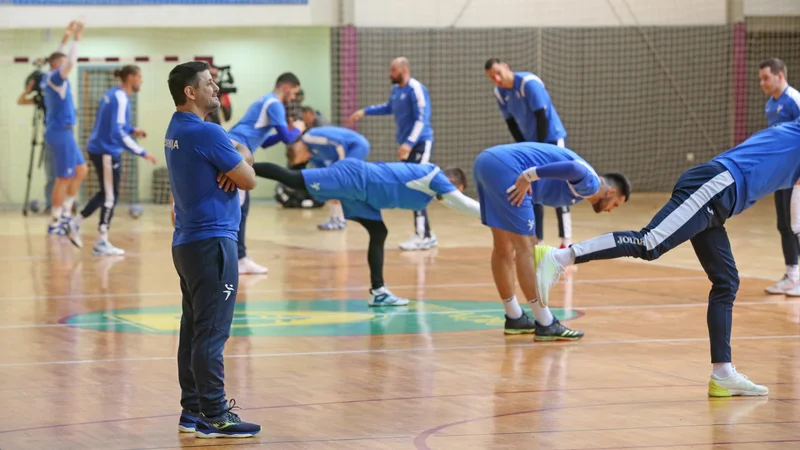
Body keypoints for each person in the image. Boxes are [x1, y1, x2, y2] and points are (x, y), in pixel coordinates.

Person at [535, 122, 800, 397]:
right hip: (717, 184)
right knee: (649, 243)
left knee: (727, 282)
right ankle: (560, 256)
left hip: (722, 201)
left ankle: (723, 374)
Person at [165, 60, 261, 438]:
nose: (216, 89)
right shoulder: (207, 134)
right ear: (191, 92)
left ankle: (192, 411)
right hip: (213, 246)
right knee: (212, 334)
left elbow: (239, 157)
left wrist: (235, 156)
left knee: (193, 331)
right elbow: (249, 177)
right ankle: (215, 415)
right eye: (208, 83)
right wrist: (237, 159)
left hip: (188, 244)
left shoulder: (178, 129)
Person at [252, 158, 478, 306]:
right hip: (355, 177)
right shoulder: (434, 176)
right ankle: (238, 165)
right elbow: (464, 204)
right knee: (294, 179)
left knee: (378, 232)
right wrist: (496, 215)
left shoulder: (429, 190)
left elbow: (457, 205)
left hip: (363, 197)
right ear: (451, 181)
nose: (450, 195)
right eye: (454, 189)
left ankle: (378, 292)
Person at [473, 142, 629, 338]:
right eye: (614, 205)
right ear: (611, 193)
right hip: (509, 168)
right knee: (527, 249)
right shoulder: (591, 184)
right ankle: (545, 322)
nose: (610, 210)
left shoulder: (581, 191)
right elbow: (573, 169)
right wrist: (527, 176)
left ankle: (515, 317)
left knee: (503, 246)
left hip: (486, 162)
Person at [348, 57, 436, 251]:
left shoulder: (416, 89)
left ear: (403, 70)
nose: (390, 74)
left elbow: (422, 120)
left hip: (420, 144)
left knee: (418, 187)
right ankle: (425, 233)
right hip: (408, 144)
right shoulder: (397, 90)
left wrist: (409, 144)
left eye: (393, 70)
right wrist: (365, 112)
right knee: (412, 186)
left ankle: (424, 235)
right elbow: (389, 107)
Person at [485, 58, 572, 249]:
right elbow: (511, 124)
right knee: (532, 189)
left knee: (559, 186)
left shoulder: (528, 83)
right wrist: (524, 148)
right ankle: (537, 240)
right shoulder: (500, 93)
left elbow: (542, 116)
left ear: (507, 67)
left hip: (550, 139)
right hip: (531, 143)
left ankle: (566, 240)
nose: (497, 79)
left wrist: (539, 148)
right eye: (492, 77)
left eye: (499, 73)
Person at [73, 65, 157, 255]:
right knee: (110, 196)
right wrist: (142, 152)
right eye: (139, 76)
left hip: (100, 149)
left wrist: (132, 130)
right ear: (130, 77)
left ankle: (75, 223)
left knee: (105, 193)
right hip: (106, 151)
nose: (141, 81)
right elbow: (116, 131)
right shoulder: (120, 98)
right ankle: (101, 241)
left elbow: (115, 125)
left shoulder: (111, 94)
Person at [226, 72, 304, 275]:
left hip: (234, 149)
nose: (293, 98)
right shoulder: (274, 104)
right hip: (237, 153)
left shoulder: (264, 101)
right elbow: (288, 139)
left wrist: (285, 132)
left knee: (239, 207)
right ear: (286, 87)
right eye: (294, 93)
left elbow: (266, 141)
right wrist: (298, 129)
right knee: (239, 209)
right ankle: (238, 259)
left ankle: (236, 256)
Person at [758, 58, 800, 296]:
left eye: (766, 78)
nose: (762, 83)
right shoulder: (770, 105)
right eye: (760, 79)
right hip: (782, 176)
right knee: (784, 224)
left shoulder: (794, 100)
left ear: (780, 76)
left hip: (797, 176)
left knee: (797, 226)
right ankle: (791, 276)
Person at [43, 20, 87, 247]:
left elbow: (58, 56)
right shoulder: (55, 79)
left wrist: (65, 36)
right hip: (60, 132)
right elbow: (68, 61)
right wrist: (77, 38)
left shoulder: (47, 76)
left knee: (81, 170)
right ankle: (55, 221)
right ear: (55, 66)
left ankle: (66, 213)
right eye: (59, 64)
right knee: (63, 177)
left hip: (64, 131)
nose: (64, 66)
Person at [288, 125, 371, 230]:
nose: (305, 160)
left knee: (340, 184)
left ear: (299, 150)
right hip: (339, 156)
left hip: (355, 146)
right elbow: (322, 171)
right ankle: (335, 218)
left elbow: (339, 142)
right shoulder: (312, 155)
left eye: (302, 158)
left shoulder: (310, 138)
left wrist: (342, 163)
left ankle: (341, 220)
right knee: (330, 186)